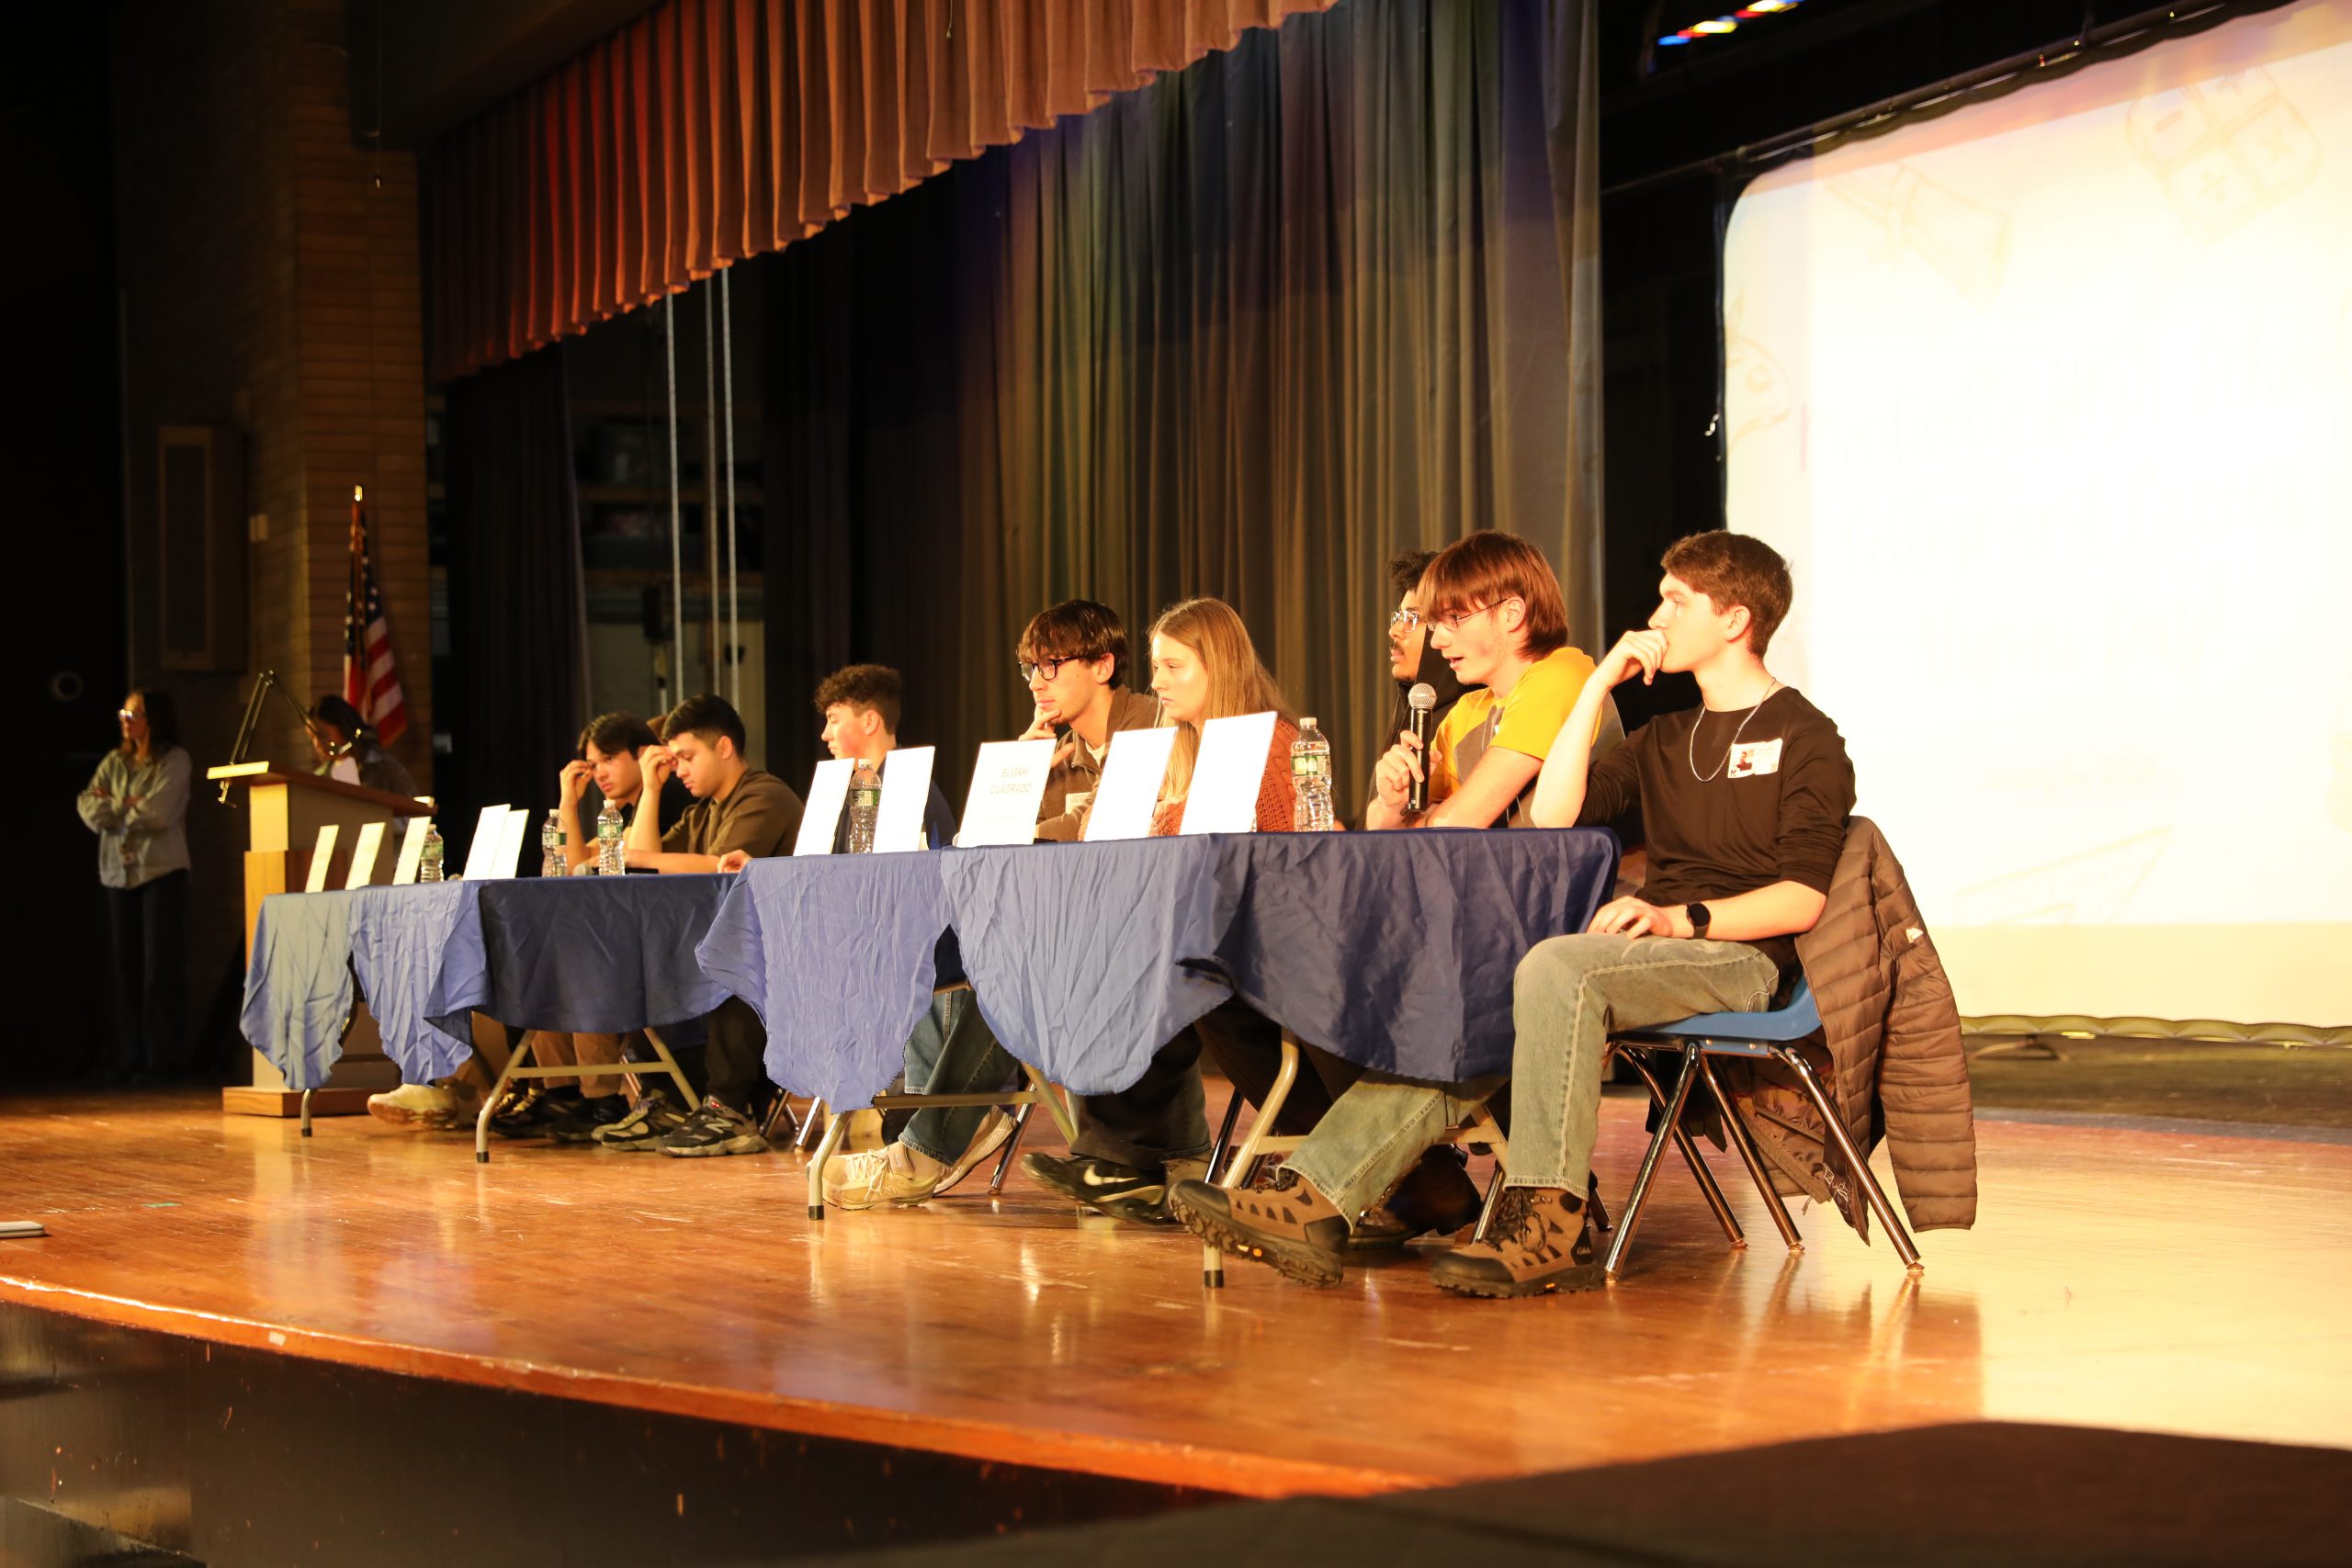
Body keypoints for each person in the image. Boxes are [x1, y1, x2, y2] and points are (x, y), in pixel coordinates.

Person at [1170, 532, 1856, 1299]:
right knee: (1487, 999)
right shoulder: (1665, 736)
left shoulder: (1805, 734)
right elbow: (1557, 815)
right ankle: (1318, 1198)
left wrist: (1679, 920)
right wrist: (1599, 686)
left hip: (1740, 950)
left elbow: (1804, 897)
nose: (1655, 614)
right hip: (1648, 948)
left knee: (1556, 966)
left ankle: (1542, 1223)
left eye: (1675, 600)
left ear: (1734, 621)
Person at [1018, 598, 1361, 1224]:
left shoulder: (1275, 744)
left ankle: (1129, 1159)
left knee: (1160, 967)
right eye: (1157, 666)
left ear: (1219, 667)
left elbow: (1293, 865)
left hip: (1279, 946)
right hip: (1217, 939)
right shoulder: (1184, 751)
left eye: (1174, 666)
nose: (1157, 682)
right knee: (1115, 955)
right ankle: (1123, 1161)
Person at [820, 604, 1162, 1211]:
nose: (1036, 681)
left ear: (1104, 664)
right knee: (932, 942)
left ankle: (933, 1144)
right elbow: (995, 839)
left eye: (1051, 665)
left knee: (1002, 961)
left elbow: (1087, 831)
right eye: (1030, 668)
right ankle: (939, 1126)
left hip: (1139, 938)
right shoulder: (1063, 748)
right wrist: (1023, 765)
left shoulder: (1151, 729)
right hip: (1069, 933)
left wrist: (1030, 824)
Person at [587, 694, 804, 1156]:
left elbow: (719, 865)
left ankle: (730, 1107)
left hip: (780, 953)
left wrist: (638, 857)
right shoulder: (702, 810)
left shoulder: (764, 795)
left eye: (687, 757)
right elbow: (647, 865)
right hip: (716, 944)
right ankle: (666, 1097)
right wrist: (651, 788)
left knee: (728, 962)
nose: (679, 769)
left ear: (724, 747)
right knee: (641, 958)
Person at [492, 711, 697, 1141]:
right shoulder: (617, 812)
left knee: (586, 963)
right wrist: (567, 803)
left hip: (668, 941)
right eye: (592, 763)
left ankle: (600, 1097)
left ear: (641, 755)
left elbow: (638, 859)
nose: (599, 772)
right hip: (623, 936)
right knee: (545, 961)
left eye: (607, 759)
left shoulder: (673, 797)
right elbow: (567, 871)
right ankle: (563, 1090)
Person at [1365, 531, 1613, 833]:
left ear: (1512, 614)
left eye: (1454, 618)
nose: (1438, 641)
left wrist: (1423, 821)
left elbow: (1457, 824)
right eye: (1434, 624)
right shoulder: (1467, 711)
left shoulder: (1562, 675)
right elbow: (1379, 836)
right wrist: (1391, 806)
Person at [77, 689, 191, 1084]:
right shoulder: (114, 761)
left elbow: (159, 812)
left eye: (135, 712)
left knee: (159, 967)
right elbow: (88, 805)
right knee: (124, 967)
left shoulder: (175, 760)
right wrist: (130, 804)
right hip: (117, 873)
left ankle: (163, 1058)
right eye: (124, 711)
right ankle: (129, 1056)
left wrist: (117, 807)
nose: (126, 719)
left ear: (154, 718)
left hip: (160, 871)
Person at [1377, 547, 1468, 784]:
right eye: (1398, 618)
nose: (1394, 631)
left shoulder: (1467, 717)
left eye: (1411, 619)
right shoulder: (1412, 709)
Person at [310, 694, 417, 797]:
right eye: (312, 737)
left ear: (344, 727)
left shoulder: (382, 767)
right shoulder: (320, 778)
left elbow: (414, 807)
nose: (317, 743)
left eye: (323, 735)